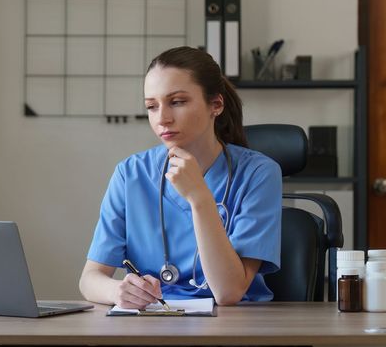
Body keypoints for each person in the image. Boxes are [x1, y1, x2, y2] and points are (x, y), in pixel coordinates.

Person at [79, 46, 282, 308]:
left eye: (177, 102)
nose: (162, 118)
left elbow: (228, 293)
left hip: (233, 325)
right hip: (154, 322)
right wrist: (119, 291)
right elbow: (90, 279)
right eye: (152, 106)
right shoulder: (130, 174)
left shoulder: (258, 173)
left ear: (216, 104)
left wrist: (199, 198)